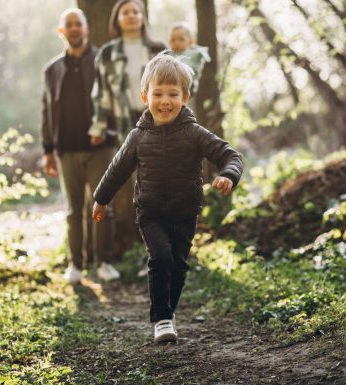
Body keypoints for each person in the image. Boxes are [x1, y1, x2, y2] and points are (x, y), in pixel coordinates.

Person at [92, 53, 243, 342]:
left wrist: (228, 175)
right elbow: (117, 169)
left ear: (185, 97)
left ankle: (169, 310)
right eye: (158, 93)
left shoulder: (194, 133)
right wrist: (101, 198)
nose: (165, 101)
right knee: (160, 257)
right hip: (150, 213)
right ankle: (161, 318)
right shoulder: (138, 136)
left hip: (185, 211)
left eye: (173, 94)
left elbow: (230, 155)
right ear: (144, 96)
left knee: (178, 265)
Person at [40, 8, 120, 283]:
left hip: (102, 148)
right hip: (67, 150)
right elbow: (46, 111)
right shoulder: (51, 70)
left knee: (103, 206)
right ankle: (76, 265)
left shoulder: (103, 60)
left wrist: (104, 129)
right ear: (61, 31)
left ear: (86, 29)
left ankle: (104, 263)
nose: (74, 29)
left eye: (79, 24)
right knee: (74, 211)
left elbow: (114, 101)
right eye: (69, 25)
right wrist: (48, 150)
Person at [89, 0, 165, 144]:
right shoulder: (107, 53)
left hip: (160, 121)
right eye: (125, 13)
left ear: (142, 18)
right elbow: (101, 94)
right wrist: (99, 128)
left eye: (136, 12)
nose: (131, 16)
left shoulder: (158, 49)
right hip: (126, 125)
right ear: (117, 20)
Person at [168, 22, 211, 97]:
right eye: (173, 40)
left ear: (190, 41)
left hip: (190, 85)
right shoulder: (169, 54)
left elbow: (205, 56)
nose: (176, 43)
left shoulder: (194, 53)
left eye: (181, 39)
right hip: (172, 84)